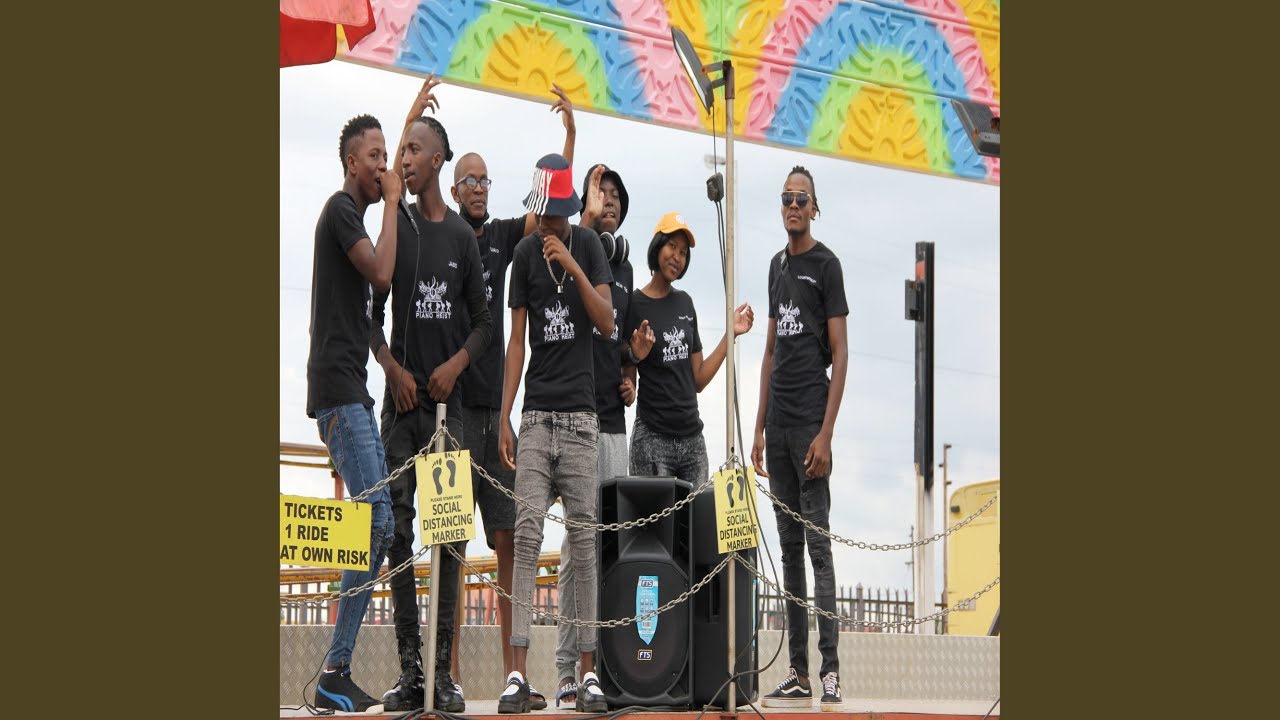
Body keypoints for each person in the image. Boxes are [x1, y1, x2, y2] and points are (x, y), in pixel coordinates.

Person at [445, 84, 579, 711]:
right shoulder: (440, 234)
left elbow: (554, 204)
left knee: (507, 542)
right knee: (449, 544)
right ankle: (444, 677)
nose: (478, 187)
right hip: (449, 414)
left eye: (485, 180)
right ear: (453, 190)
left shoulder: (503, 237)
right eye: (469, 180)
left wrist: (569, 139)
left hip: (493, 413)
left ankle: (512, 676)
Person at [371, 79, 493, 713]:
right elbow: (370, 316)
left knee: (449, 541)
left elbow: (484, 323)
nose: (406, 159)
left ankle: (442, 677)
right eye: (404, 151)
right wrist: (393, 368)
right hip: (402, 411)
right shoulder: (398, 224)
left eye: (417, 150)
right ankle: (409, 670)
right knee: (395, 533)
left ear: (439, 161)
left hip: (452, 414)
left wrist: (456, 363)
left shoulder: (463, 240)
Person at [497, 154, 614, 714]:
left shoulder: (587, 246)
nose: (544, 222)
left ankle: (588, 674)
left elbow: (607, 321)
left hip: (582, 418)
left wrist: (571, 262)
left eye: (552, 213)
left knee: (585, 543)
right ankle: (517, 676)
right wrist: (506, 414)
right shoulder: (523, 255)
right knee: (525, 538)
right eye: (540, 212)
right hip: (537, 416)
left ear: (568, 211)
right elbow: (516, 339)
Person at [306, 113, 401, 713]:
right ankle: (334, 671)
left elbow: (376, 297)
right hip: (340, 393)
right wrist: (391, 200)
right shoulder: (342, 211)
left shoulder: (355, 220)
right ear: (350, 162)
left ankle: (335, 671)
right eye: (375, 156)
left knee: (378, 526)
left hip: (352, 392)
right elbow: (382, 272)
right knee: (375, 523)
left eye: (387, 155)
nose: (384, 165)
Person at [552, 164, 655, 707]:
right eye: (602, 191)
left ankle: (606, 668)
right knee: (577, 545)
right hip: (573, 415)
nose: (609, 200)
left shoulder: (626, 267)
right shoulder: (572, 246)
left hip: (614, 421)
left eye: (616, 194)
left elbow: (621, 343)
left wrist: (632, 367)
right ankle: (566, 668)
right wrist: (584, 217)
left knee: (613, 544)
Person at [752, 166, 849, 711]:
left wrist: (826, 433)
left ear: (814, 207)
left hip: (812, 426)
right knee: (789, 552)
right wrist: (759, 427)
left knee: (818, 549)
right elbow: (769, 350)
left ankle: (830, 670)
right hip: (778, 427)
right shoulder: (776, 266)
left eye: (802, 198)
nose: (793, 204)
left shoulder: (826, 265)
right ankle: (798, 670)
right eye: (787, 197)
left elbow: (841, 352)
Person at [626, 212, 753, 489]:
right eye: (672, 246)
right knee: (653, 518)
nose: (677, 257)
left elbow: (698, 379)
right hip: (652, 438)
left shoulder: (685, 302)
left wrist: (730, 334)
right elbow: (627, 368)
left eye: (683, 252)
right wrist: (633, 363)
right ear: (657, 247)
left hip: (692, 441)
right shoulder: (634, 303)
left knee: (695, 517)